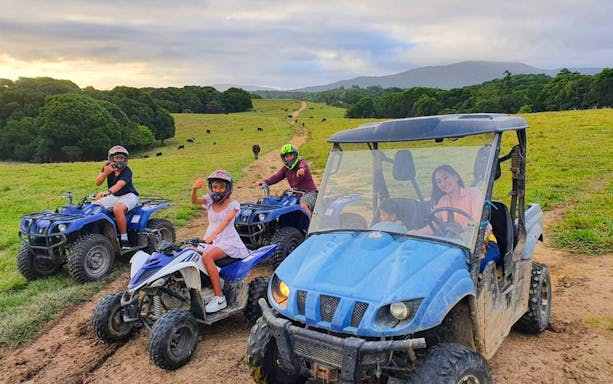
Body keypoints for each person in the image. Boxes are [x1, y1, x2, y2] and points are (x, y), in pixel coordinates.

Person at [409, 165, 500, 269]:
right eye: (438, 181)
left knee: (466, 267)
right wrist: (415, 233)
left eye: (446, 177)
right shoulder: (443, 201)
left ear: (456, 177)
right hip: (453, 246)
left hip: (482, 244)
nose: (443, 183)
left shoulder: (473, 193)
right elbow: (433, 226)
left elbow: (477, 220)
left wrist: (458, 229)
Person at [191, 170, 249, 313]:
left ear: (228, 188)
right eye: (215, 187)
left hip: (228, 241)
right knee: (190, 253)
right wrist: (194, 189)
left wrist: (214, 235)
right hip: (211, 239)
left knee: (207, 256)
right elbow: (195, 201)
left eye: (221, 187)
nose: (217, 190)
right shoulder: (210, 201)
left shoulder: (233, 205)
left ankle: (219, 297)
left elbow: (226, 220)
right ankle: (202, 288)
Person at [95, 145, 139, 250]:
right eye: (117, 158)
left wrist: (108, 192)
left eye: (122, 158)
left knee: (117, 209)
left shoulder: (127, 171)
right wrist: (105, 173)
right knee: (95, 206)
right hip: (114, 196)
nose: (119, 160)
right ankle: (102, 233)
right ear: (111, 159)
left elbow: (120, 185)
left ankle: (124, 239)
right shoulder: (107, 167)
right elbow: (98, 182)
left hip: (129, 195)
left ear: (125, 159)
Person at [256, 144, 318, 218]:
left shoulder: (301, 163)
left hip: (309, 193)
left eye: (291, 155)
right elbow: (277, 176)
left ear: (295, 155)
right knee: (282, 205)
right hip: (296, 194)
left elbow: (303, 165)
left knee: (303, 206)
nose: (289, 158)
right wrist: (266, 182)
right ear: (284, 158)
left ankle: (311, 226)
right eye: (286, 156)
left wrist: (301, 169)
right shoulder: (285, 169)